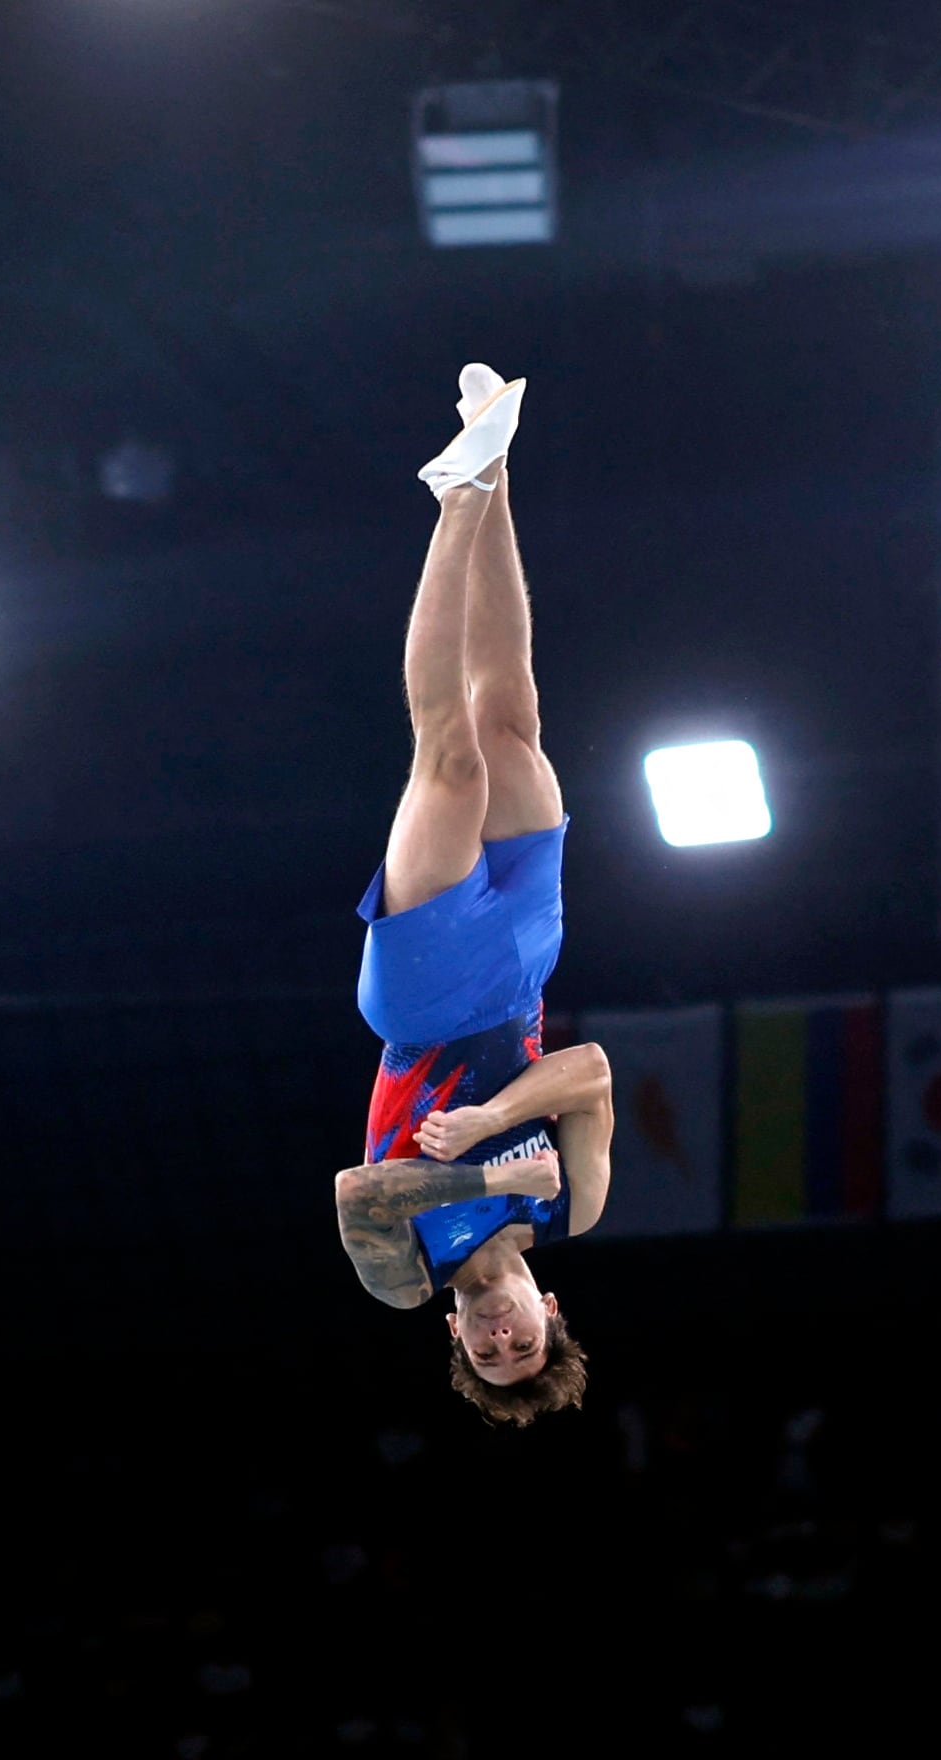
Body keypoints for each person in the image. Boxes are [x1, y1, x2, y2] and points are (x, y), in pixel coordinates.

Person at [331, 364, 614, 1427]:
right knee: (511, 723)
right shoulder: (571, 1204)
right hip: (521, 972)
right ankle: (491, 467)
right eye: (522, 1340)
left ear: (457, 1333)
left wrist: (481, 1152)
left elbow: (357, 1193)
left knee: (446, 759)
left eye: (486, 1351)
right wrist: (501, 1118)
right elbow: (586, 1070)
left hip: (424, 1004)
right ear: (548, 1307)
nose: (500, 1334)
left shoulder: (402, 1272)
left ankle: (454, 493)